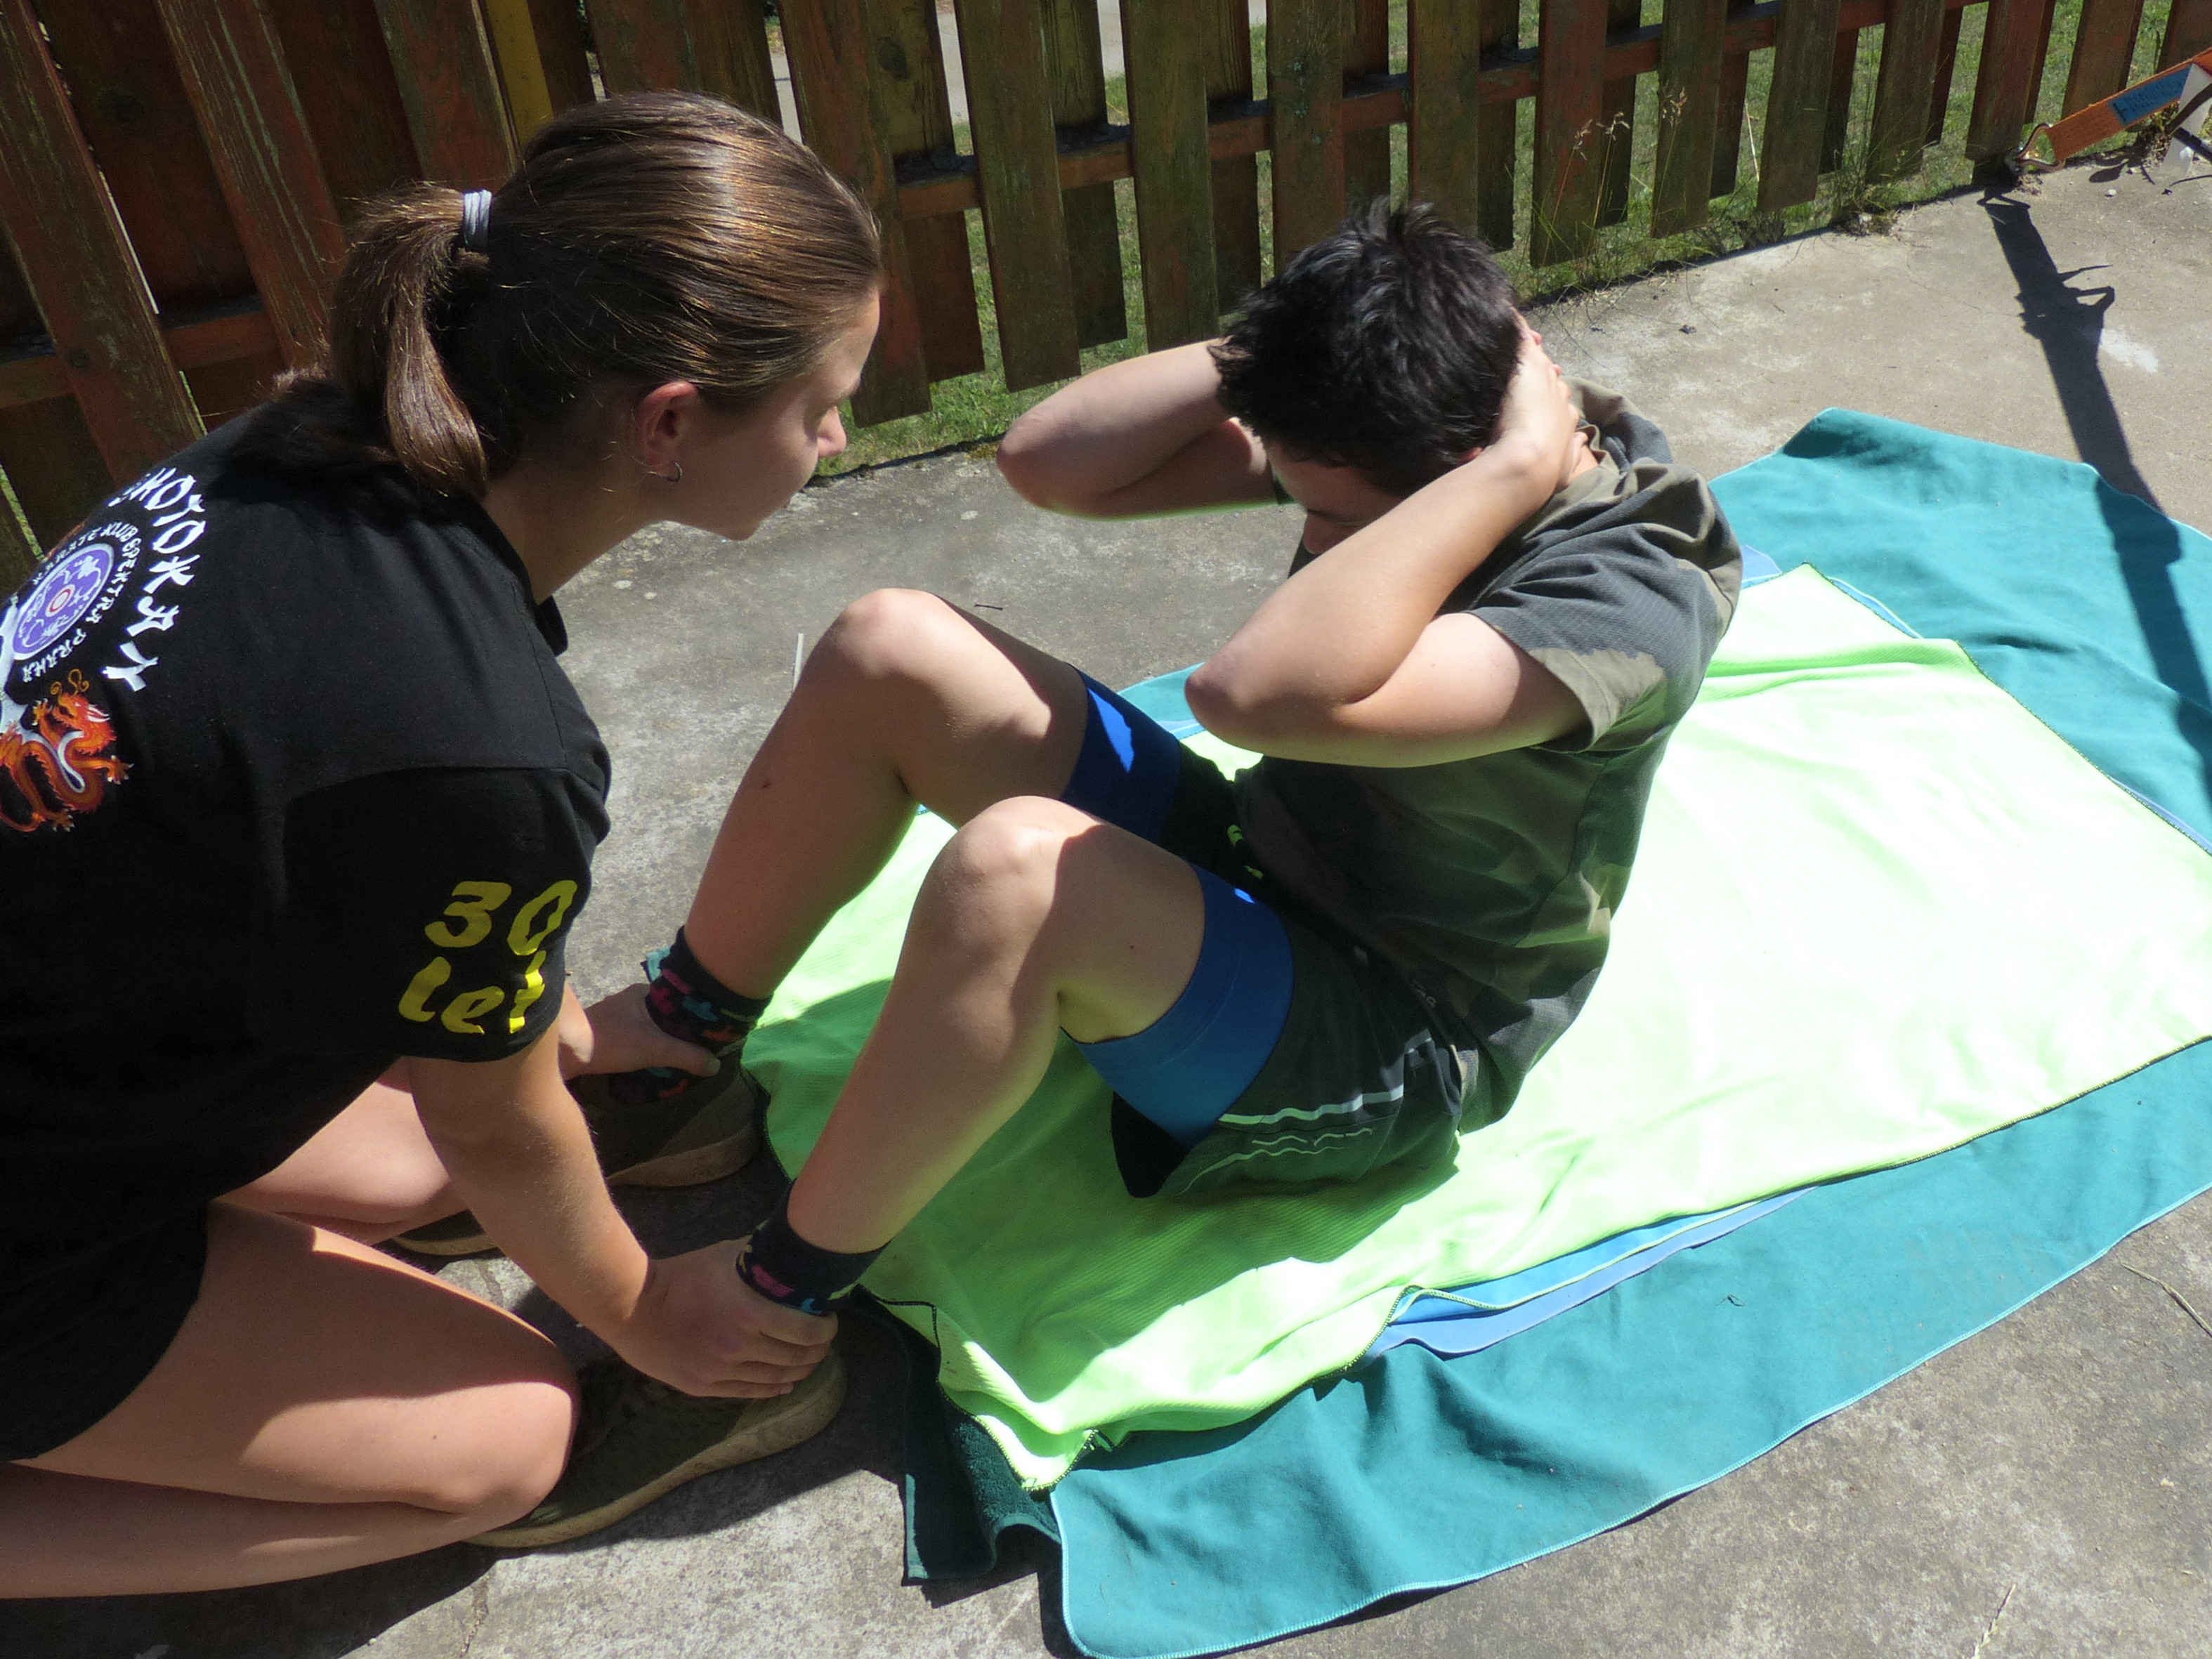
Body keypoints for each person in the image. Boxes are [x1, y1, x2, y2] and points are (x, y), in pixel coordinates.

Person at [540, 202, 1741, 1530]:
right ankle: (686, 1043)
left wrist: (1502, 479)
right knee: (892, 647)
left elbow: (1256, 695)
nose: (1308, 534)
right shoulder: (1413, 429)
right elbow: (1049, 462)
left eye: (1329, 518)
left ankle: (769, 1324)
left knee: (1018, 878)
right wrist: (1280, 352)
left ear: (1461, 472)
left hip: (1393, 1032)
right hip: (1260, 867)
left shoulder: (1630, 590)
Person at [0, 91, 882, 1596]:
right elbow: (498, 1125)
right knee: (510, 1435)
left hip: (59, 1069)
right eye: (821, 404)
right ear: (670, 422)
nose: (838, 438)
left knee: (420, 1148)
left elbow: (349, 884)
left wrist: (556, 1031)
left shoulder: (297, 445)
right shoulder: (478, 751)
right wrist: (645, 1312)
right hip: (34, 1223)